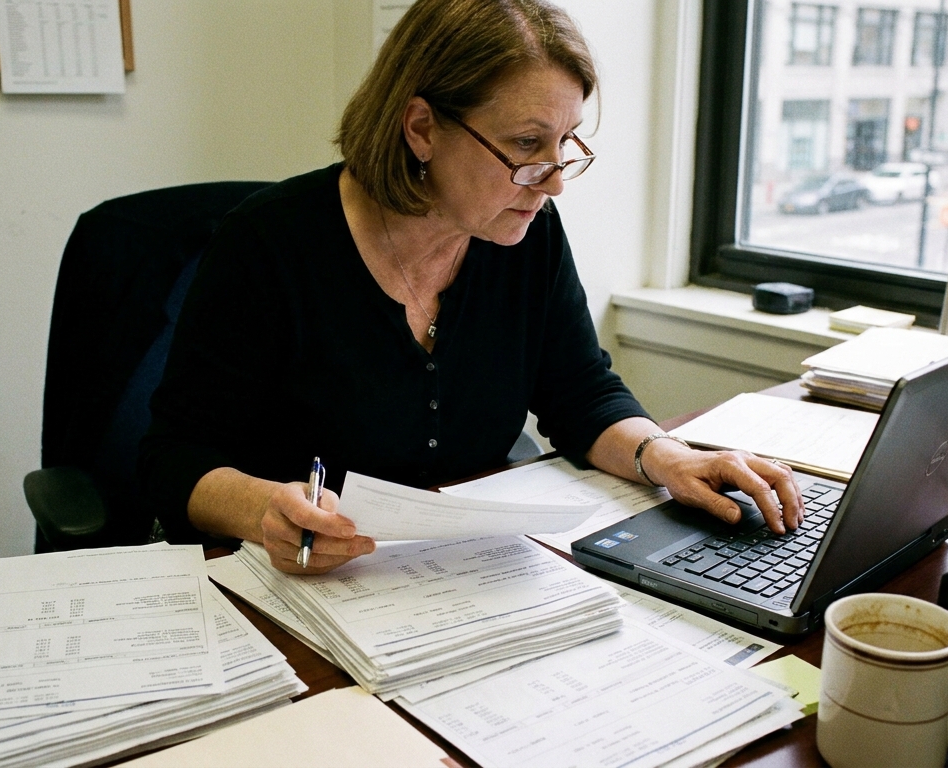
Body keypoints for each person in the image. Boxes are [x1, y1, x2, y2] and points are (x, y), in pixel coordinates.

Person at [138, 0, 804, 575]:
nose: (553, 182)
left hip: (468, 577)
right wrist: (264, 511)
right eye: (525, 146)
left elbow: (580, 392)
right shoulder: (268, 245)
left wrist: (667, 456)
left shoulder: (527, 234)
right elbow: (175, 456)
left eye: (566, 143)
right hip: (306, 583)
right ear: (422, 127)